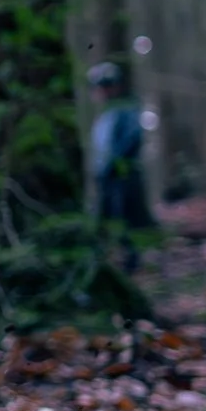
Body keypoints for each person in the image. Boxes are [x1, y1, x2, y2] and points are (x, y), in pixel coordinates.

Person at [88, 61, 156, 265]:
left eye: (104, 86)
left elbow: (131, 139)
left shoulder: (127, 109)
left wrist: (115, 164)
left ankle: (131, 261)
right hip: (107, 178)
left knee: (123, 218)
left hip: (122, 177)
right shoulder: (106, 114)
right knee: (104, 219)